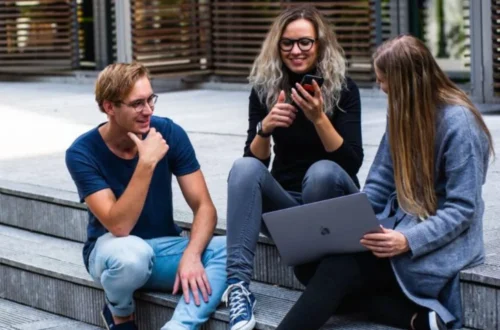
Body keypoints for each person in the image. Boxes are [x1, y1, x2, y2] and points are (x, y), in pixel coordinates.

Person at [275, 35, 495, 330]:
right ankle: (415, 318)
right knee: (308, 266)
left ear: (406, 82)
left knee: (337, 270)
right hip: (396, 226)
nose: (380, 87)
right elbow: (378, 184)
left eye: (383, 80)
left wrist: (407, 240)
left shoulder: (460, 124)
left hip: (439, 241)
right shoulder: (403, 113)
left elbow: (462, 209)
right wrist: (354, 225)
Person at [221, 5, 363, 330]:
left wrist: (318, 117)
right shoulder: (266, 89)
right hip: (289, 208)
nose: (296, 51)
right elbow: (254, 164)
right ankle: (239, 287)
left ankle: (324, 274)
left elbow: (352, 161)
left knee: (322, 173)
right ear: (277, 45)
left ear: (319, 44)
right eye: (287, 43)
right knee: (242, 168)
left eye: (305, 42)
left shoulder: (343, 89)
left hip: (333, 204)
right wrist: (265, 129)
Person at [65, 62, 227, 330]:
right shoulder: (82, 152)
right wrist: (146, 163)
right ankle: (121, 315)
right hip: (112, 253)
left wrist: (192, 254)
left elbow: (204, 207)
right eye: (137, 103)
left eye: (151, 99)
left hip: (164, 247)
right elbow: (119, 226)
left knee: (231, 249)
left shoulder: (169, 132)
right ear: (109, 107)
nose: (148, 110)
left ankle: (179, 327)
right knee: (131, 255)